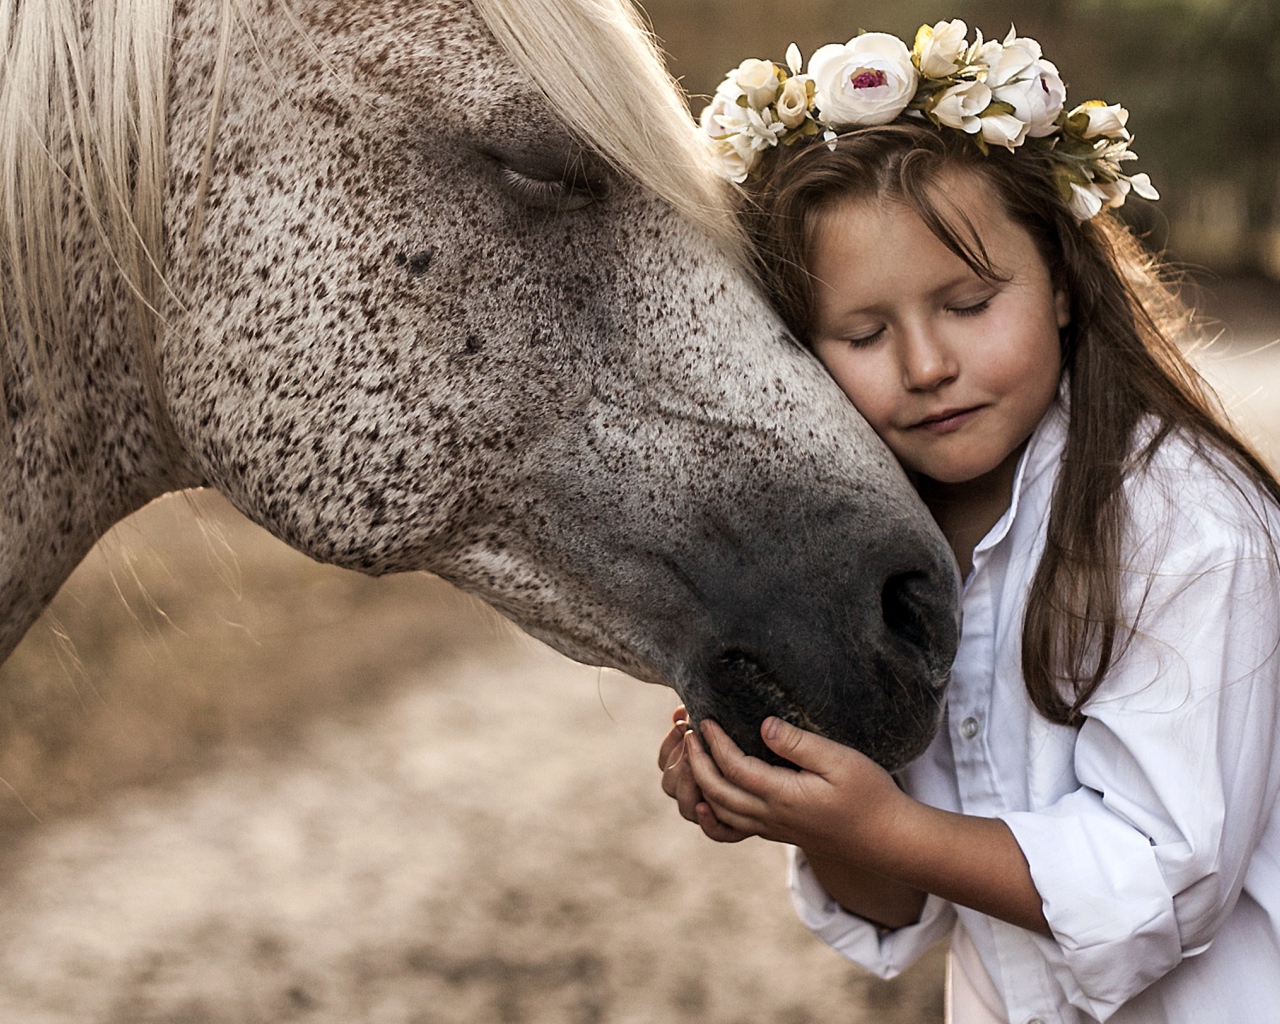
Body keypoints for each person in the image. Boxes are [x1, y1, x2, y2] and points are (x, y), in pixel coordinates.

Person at [658, 20, 1280, 1024]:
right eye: (862, 332)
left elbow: (1160, 876)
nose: (923, 366)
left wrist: (890, 828)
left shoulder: (1189, 525)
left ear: (1065, 287)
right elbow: (898, 901)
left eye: (967, 303)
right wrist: (800, 803)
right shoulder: (883, 563)